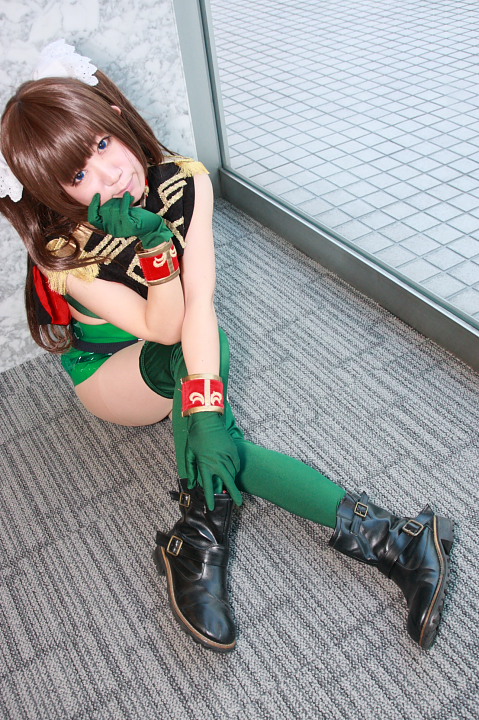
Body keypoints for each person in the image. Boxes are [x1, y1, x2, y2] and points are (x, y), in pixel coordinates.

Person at [0, 41, 454, 653]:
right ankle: (395, 541)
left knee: (216, 409)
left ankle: (212, 538)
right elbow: (165, 328)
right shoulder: (64, 254)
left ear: (115, 116)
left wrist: (208, 414)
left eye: (102, 144)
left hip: (175, 342)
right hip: (113, 376)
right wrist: (155, 246)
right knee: (193, 360)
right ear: (55, 192)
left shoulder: (184, 180)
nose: (108, 174)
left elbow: (202, 302)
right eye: (77, 175)